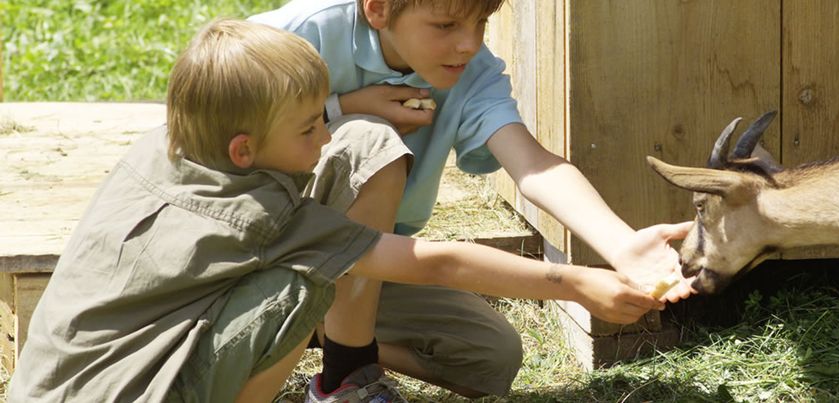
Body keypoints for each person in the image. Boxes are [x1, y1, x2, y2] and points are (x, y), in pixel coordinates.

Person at [6, 19, 675, 403]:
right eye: (310, 128)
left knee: (483, 354)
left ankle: (346, 362)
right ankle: (338, 377)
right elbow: (431, 259)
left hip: (54, 380)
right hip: (120, 393)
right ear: (246, 149)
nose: (325, 136)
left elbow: (525, 163)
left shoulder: (168, 147)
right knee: (297, 287)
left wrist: (342, 110)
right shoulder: (261, 215)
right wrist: (576, 282)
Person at [249, 0, 695, 400]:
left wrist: (619, 245)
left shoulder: (473, 71)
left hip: (370, 264)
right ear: (378, 9)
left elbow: (534, 166)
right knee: (371, 140)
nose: (468, 44)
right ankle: (347, 376)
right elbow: (205, 131)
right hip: (265, 250)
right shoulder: (298, 35)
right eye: (445, 25)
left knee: (490, 357)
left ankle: (311, 325)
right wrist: (341, 107)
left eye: (481, 21)